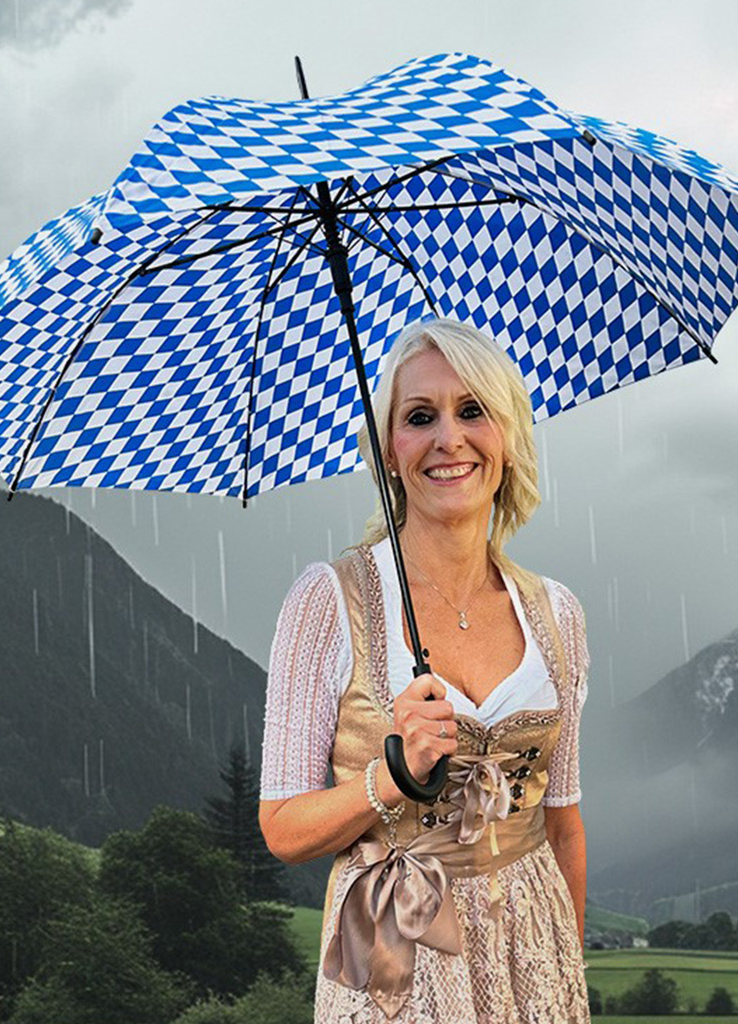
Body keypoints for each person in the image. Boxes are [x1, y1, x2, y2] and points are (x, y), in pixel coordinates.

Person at [258, 317, 591, 1023]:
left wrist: (567, 972)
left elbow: (562, 823)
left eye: (473, 410)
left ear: (507, 436)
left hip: (533, 954)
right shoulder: (328, 600)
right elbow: (282, 826)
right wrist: (392, 776)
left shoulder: (557, 613)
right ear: (389, 452)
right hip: (397, 952)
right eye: (419, 417)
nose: (449, 439)